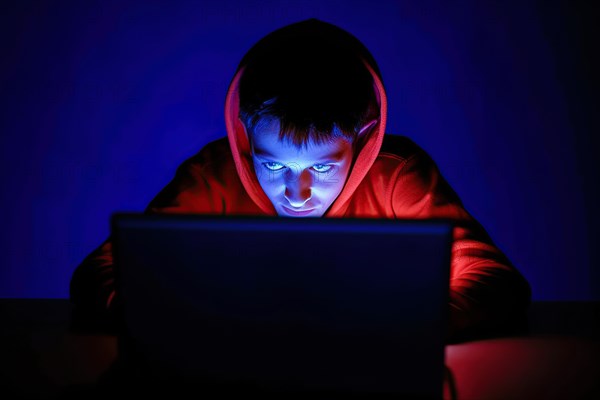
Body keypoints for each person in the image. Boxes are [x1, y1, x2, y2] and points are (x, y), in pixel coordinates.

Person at [70, 18, 531, 342]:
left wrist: (407, 325)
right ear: (245, 138)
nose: (297, 194)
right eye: (273, 165)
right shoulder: (214, 175)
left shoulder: (396, 174)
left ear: (364, 139)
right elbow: (100, 273)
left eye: (324, 167)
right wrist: (167, 320)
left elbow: (496, 280)